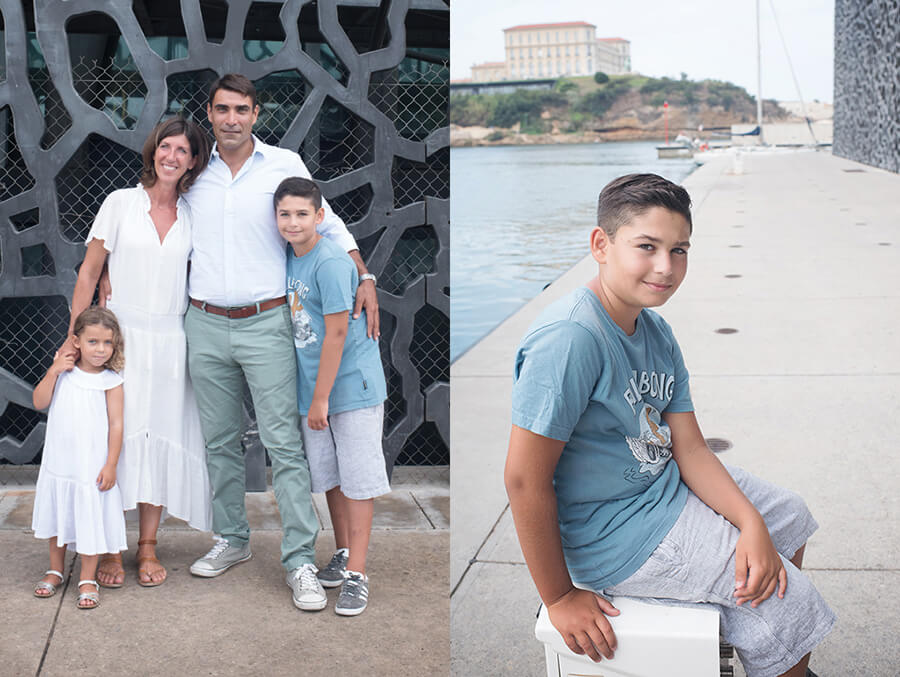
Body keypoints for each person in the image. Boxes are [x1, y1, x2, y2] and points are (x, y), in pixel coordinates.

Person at [504, 174, 834, 677]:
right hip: (612, 534)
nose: (666, 267)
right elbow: (524, 478)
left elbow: (693, 450)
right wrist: (560, 595)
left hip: (661, 492)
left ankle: (751, 631)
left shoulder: (654, 328)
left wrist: (749, 523)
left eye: (679, 249)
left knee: (786, 516)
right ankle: (773, 632)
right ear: (601, 245)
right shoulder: (571, 338)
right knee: (791, 601)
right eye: (647, 247)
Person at [182, 74, 379, 612]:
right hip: (202, 321)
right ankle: (233, 540)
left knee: (284, 447)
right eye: (222, 109)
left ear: (256, 112)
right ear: (210, 113)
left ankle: (299, 561)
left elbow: (330, 223)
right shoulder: (193, 170)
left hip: (267, 322)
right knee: (219, 442)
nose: (231, 119)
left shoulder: (285, 163)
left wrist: (365, 277)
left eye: (241, 109)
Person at [67, 117, 213, 588]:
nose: (172, 156)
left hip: (172, 338)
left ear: (193, 162)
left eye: (182, 151)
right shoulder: (120, 204)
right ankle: (109, 546)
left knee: (159, 437)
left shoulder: (195, 213)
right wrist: (76, 336)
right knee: (117, 439)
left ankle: (147, 545)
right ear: (153, 152)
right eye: (165, 147)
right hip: (121, 337)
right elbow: (89, 273)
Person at [276, 177, 389, 615]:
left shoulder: (330, 262)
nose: (293, 221)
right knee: (332, 477)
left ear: (320, 218)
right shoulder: (289, 256)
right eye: (285, 214)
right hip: (314, 387)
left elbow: (338, 333)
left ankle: (358, 574)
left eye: (302, 214)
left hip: (350, 389)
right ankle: (344, 553)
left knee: (358, 482)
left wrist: (320, 398)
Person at [31, 307, 127, 610]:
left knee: (89, 516)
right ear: (76, 341)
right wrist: (53, 370)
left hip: (91, 465)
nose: (100, 350)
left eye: (107, 343)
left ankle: (87, 578)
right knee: (60, 513)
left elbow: (116, 424)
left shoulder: (111, 381)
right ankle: (55, 570)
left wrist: (111, 463)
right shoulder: (64, 373)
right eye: (93, 342)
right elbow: (39, 401)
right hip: (61, 461)